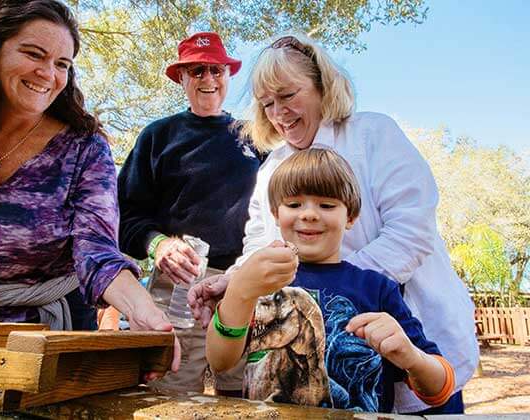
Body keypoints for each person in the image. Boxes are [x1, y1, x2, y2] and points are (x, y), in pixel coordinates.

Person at [190, 34, 478, 414]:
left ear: (322, 85)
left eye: (288, 95)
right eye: (268, 104)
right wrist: (235, 280)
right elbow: (261, 244)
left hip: (408, 331)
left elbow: (410, 231)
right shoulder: (272, 166)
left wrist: (334, 286)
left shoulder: (375, 135)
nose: (279, 113)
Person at [0, 0, 179, 374]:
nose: (48, 74)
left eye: (62, 64)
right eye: (33, 54)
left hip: (43, 342)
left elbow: (96, 252)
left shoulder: (84, 149)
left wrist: (143, 311)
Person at [206, 148, 456, 412]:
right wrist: (239, 292)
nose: (309, 214)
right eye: (294, 204)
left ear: (350, 217)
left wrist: (412, 358)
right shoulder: (258, 282)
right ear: (275, 213)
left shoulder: (376, 288)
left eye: (326, 205)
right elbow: (220, 361)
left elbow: (439, 389)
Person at [117, 32, 261, 394]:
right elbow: (123, 216)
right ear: (181, 78)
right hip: (177, 286)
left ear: (228, 76)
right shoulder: (158, 136)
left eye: (216, 70)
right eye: (197, 71)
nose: (208, 80)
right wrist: (159, 245)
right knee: (171, 391)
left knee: (244, 394)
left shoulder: (253, 137)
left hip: (241, 283)